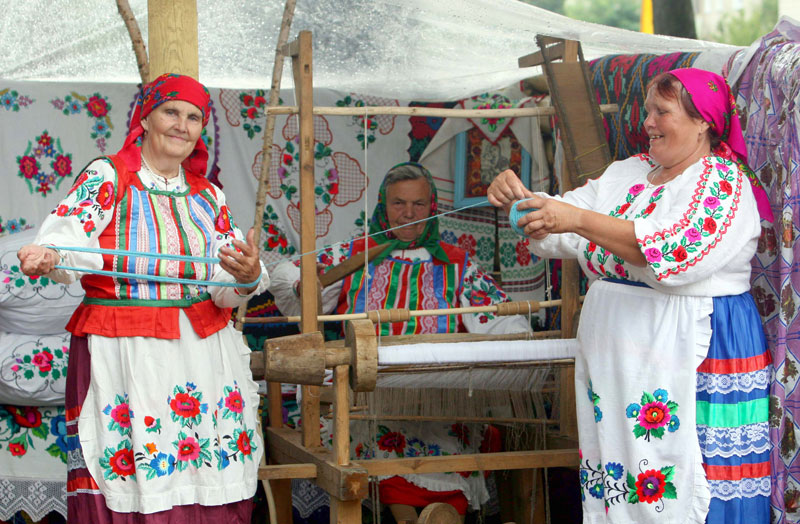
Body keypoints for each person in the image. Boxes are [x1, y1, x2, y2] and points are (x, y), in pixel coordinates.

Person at [487, 68, 771, 524]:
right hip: (620, 364)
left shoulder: (721, 183)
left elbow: (670, 254)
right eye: (646, 111)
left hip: (688, 350)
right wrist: (524, 203)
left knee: (682, 479)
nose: (648, 122)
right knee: (625, 475)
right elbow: (565, 227)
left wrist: (575, 219)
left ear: (703, 122)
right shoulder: (629, 173)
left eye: (662, 111)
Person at [17, 73, 269, 523]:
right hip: (127, 355)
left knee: (206, 474)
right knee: (133, 478)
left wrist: (247, 277)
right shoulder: (109, 175)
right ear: (146, 117)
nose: (182, 126)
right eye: (171, 111)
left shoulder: (209, 196)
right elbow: (71, 239)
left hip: (204, 358)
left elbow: (224, 288)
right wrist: (50, 254)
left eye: (194, 117)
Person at [269, 162, 531, 523]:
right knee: (376, 435)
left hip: (437, 395)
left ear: (433, 207)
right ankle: (414, 516)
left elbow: (501, 321)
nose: (408, 213)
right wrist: (305, 285)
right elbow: (292, 282)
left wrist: (525, 350)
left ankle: (438, 514)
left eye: (418, 204)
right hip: (364, 395)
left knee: (446, 438)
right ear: (383, 205)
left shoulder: (456, 264)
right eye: (398, 203)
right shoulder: (354, 256)